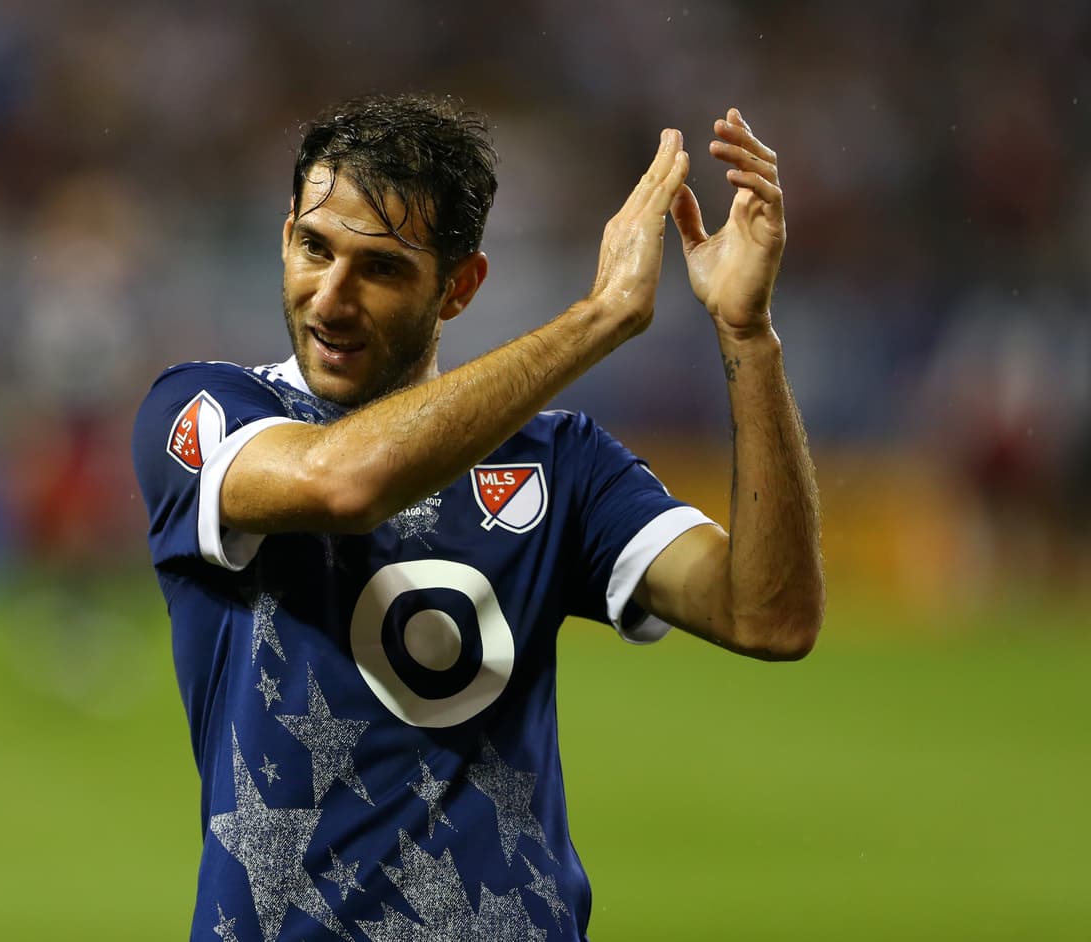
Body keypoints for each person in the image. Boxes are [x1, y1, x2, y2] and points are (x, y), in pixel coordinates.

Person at [133, 93, 823, 942]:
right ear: (286, 239)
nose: (332, 297)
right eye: (315, 248)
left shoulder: (562, 464)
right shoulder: (204, 412)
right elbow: (341, 484)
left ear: (459, 288)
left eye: (380, 268)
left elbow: (770, 613)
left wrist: (748, 337)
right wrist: (599, 317)